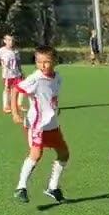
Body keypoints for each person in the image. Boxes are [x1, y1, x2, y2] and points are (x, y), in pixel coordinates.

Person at [11, 45, 69, 204]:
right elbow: (15, 90)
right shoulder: (35, 78)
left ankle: (53, 188)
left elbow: (51, 96)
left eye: (46, 61)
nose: (42, 65)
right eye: (39, 62)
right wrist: (15, 113)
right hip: (37, 124)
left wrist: (55, 108)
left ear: (55, 61)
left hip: (52, 124)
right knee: (36, 154)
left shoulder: (57, 78)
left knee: (64, 154)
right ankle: (21, 187)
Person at [0, 34, 23, 119]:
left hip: (16, 73)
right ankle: (6, 106)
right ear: (5, 41)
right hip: (7, 74)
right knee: (7, 89)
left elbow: (18, 62)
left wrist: (21, 72)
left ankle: (17, 105)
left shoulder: (16, 51)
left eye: (12, 40)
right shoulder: (2, 50)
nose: (11, 42)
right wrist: (3, 65)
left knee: (18, 89)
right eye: (8, 40)